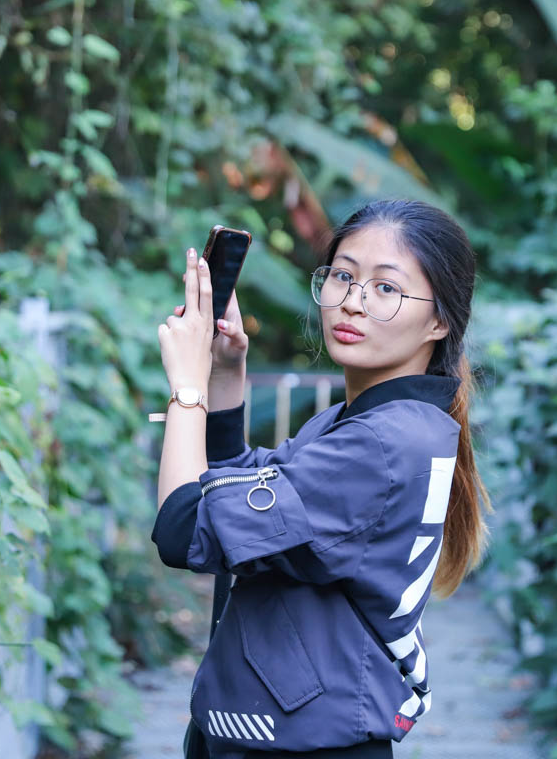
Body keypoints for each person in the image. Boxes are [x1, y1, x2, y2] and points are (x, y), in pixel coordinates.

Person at [150, 199, 491, 759]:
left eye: (386, 288)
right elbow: (237, 493)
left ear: (439, 321)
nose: (353, 302)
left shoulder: (379, 444)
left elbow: (184, 529)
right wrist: (225, 373)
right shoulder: (371, 424)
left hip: (304, 745)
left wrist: (187, 389)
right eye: (343, 276)